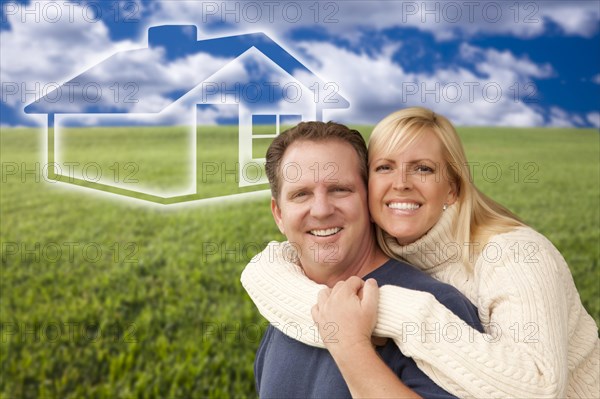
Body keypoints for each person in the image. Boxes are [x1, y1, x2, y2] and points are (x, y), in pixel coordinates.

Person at [242, 108, 600, 398]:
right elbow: (266, 270)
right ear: (277, 213)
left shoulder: (513, 256)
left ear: (452, 189)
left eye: (339, 189)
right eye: (385, 168)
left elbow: (539, 387)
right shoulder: (290, 304)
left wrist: (373, 325)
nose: (401, 184)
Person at [246, 120, 483, 398]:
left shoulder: (438, 305)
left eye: (339, 190)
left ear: (368, 200)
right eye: (301, 194)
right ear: (279, 215)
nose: (321, 210)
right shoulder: (286, 308)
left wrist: (352, 345)